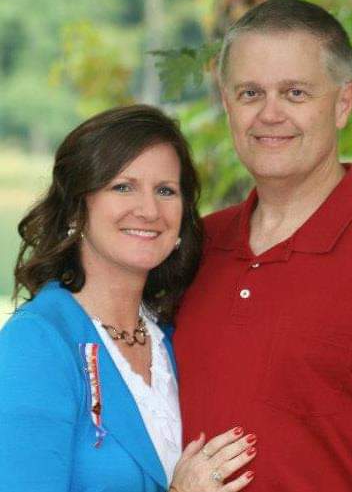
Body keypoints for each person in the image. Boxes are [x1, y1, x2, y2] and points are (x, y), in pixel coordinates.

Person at [173, 0, 352, 492]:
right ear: (227, 104)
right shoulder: (194, 247)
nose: (270, 114)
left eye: (295, 93)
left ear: (343, 103)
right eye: (250, 93)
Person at [0, 105, 257, 492]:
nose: (149, 210)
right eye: (123, 186)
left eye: (166, 190)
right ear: (76, 208)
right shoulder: (37, 344)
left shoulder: (174, 338)